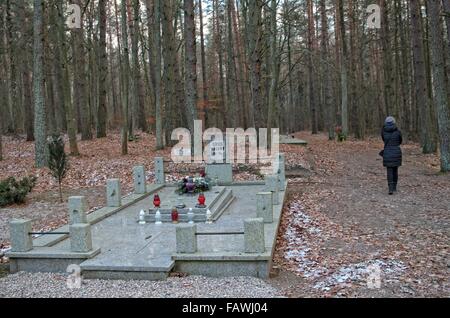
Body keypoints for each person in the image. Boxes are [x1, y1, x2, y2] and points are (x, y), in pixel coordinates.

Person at [381, 116, 403, 195]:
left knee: (389, 170)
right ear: (394, 122)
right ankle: (394, 187)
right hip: (396, 151)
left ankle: (390, 188)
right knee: (395, 170)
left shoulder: (383, 131)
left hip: (387, 152)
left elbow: (383, 139)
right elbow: (400, 141)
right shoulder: (397, 131)